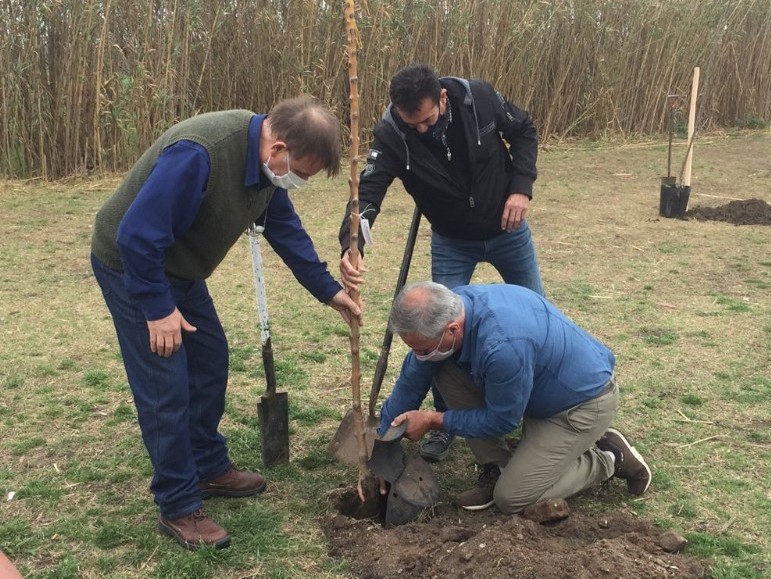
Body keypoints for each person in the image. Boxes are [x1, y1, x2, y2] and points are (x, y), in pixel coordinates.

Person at [90, 96, 362, 550]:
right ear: (277, 148)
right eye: (303, 173)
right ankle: (178, 505)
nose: (300, 182)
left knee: (210, 358)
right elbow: (136, 236)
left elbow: (284, 228)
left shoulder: (265, 171)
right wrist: (157, 309)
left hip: (181, 269)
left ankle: (207, 465)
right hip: (132, 266)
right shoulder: (200, 153)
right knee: (166, 382)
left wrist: (328, 290)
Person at [338, 64, 544, 463]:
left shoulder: (478, 98)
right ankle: (441, 422)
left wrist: (521, 188)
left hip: (507, 228)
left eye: (427, 120)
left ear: (442, 100)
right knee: (434, 335)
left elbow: (524, 131)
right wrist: (353, 243)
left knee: (534, 317)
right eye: (410, 122)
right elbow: (369, 190)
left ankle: (538, 418)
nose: (420, 130)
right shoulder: (392, 133)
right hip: (452, 239)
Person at [377, 281, 652, 513]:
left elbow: (503, 420)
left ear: (452, 329)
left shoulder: (502, 346)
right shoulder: (453, 306)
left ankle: (608, 457)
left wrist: (435, 420)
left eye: (423, 349)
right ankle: (498, 466)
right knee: (443, 369)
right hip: (535, 392)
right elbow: (412, 382)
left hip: (578, 406)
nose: (419, 356)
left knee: (511, 498)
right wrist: (382, 449)